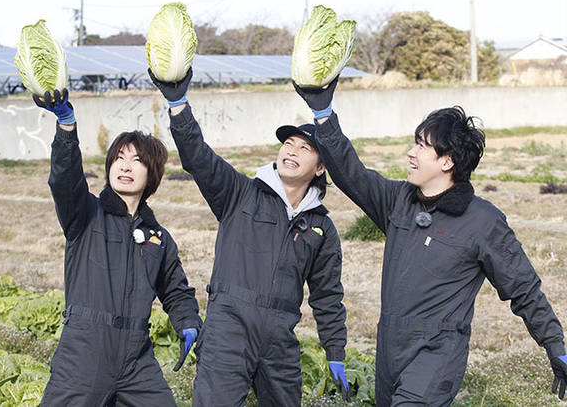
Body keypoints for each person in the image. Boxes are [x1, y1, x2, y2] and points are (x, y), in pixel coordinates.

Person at [293, 77, 567, 405]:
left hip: (438, 354)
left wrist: (555, 344)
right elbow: (351, 173)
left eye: (421, 146)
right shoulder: (398, 201)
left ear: (447, 161)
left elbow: (523, 287)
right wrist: (323, 113)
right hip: (390, 348)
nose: (411, 153)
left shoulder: (483, 221)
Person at [149, 68, 351, 406]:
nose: (292, 150)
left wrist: (336, 350)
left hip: (279, 339)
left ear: (320, 168)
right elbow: (198, 157)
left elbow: (327, 295)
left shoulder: (321, 227)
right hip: (228, 330)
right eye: (288, 143)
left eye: (305, 148)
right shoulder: (239, 193)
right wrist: (178, 105)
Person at [34, 89, 202, 407]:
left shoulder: (158, 238)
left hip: (136, 358)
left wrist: (188, 321)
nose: (125, 166)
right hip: (85, 351)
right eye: (119, 158)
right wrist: (66, 128)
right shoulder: (85, 215)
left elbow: (176, 292)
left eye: (136, 160)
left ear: (151, 173)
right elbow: (64, 180)